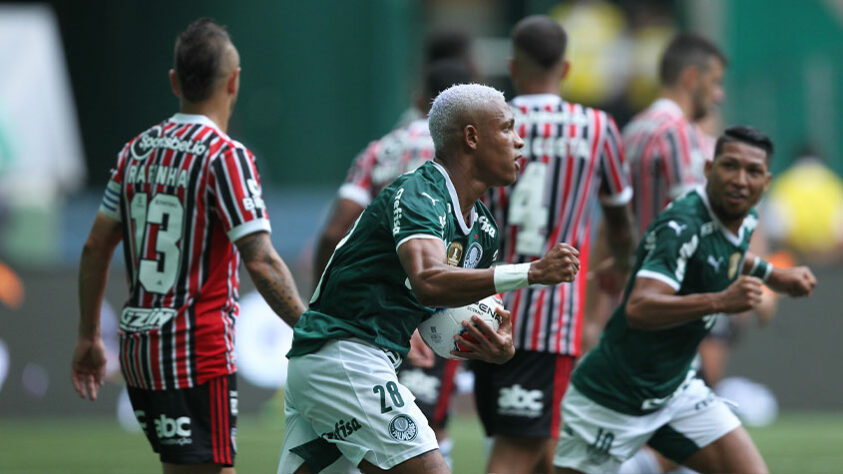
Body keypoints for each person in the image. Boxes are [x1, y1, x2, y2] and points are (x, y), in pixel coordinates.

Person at [277, 83, 580, 473]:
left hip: (356, 361)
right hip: (344, 354)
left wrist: (495, 347)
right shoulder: (419, 194)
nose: (519, 142)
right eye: (506, 129)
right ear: (471, 137)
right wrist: (532, 272)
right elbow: (429, 281)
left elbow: (441, 313)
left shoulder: (483, 231)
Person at [71, 19, 306, 474]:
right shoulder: (226, 156)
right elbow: (260, 260)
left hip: (140, 350)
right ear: (234, 82)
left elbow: (94, 247)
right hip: (197, 351)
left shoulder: (134, 152)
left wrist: (86, 336)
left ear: (175, 82)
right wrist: (312, 326)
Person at [553, 126, 817, 474]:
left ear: (765, 183)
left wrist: (774, 276)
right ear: (709, 170)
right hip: (612, 395)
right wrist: (720, 301)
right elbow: (639, 308)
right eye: (730, 166)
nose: (740, 180)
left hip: (675, 389)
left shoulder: (744, 216)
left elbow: (728, 253)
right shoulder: (682, 225)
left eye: (752, 171)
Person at [472, 16, 634, 474]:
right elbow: (620, 221)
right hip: (550, 321)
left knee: (544, 445)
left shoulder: (488, 124)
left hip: (484, 306)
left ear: (512, 67)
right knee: (520, 450)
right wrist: (618, 271)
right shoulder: (597, 127)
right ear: (564, 69)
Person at [311, 59, 474, 466]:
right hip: (435, 308)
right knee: (428, 428)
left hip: (371, 318)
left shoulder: (382, 148)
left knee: (371, 429)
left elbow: (333, 233)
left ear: (420, 100)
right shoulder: (470, 154)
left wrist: (324, 310)